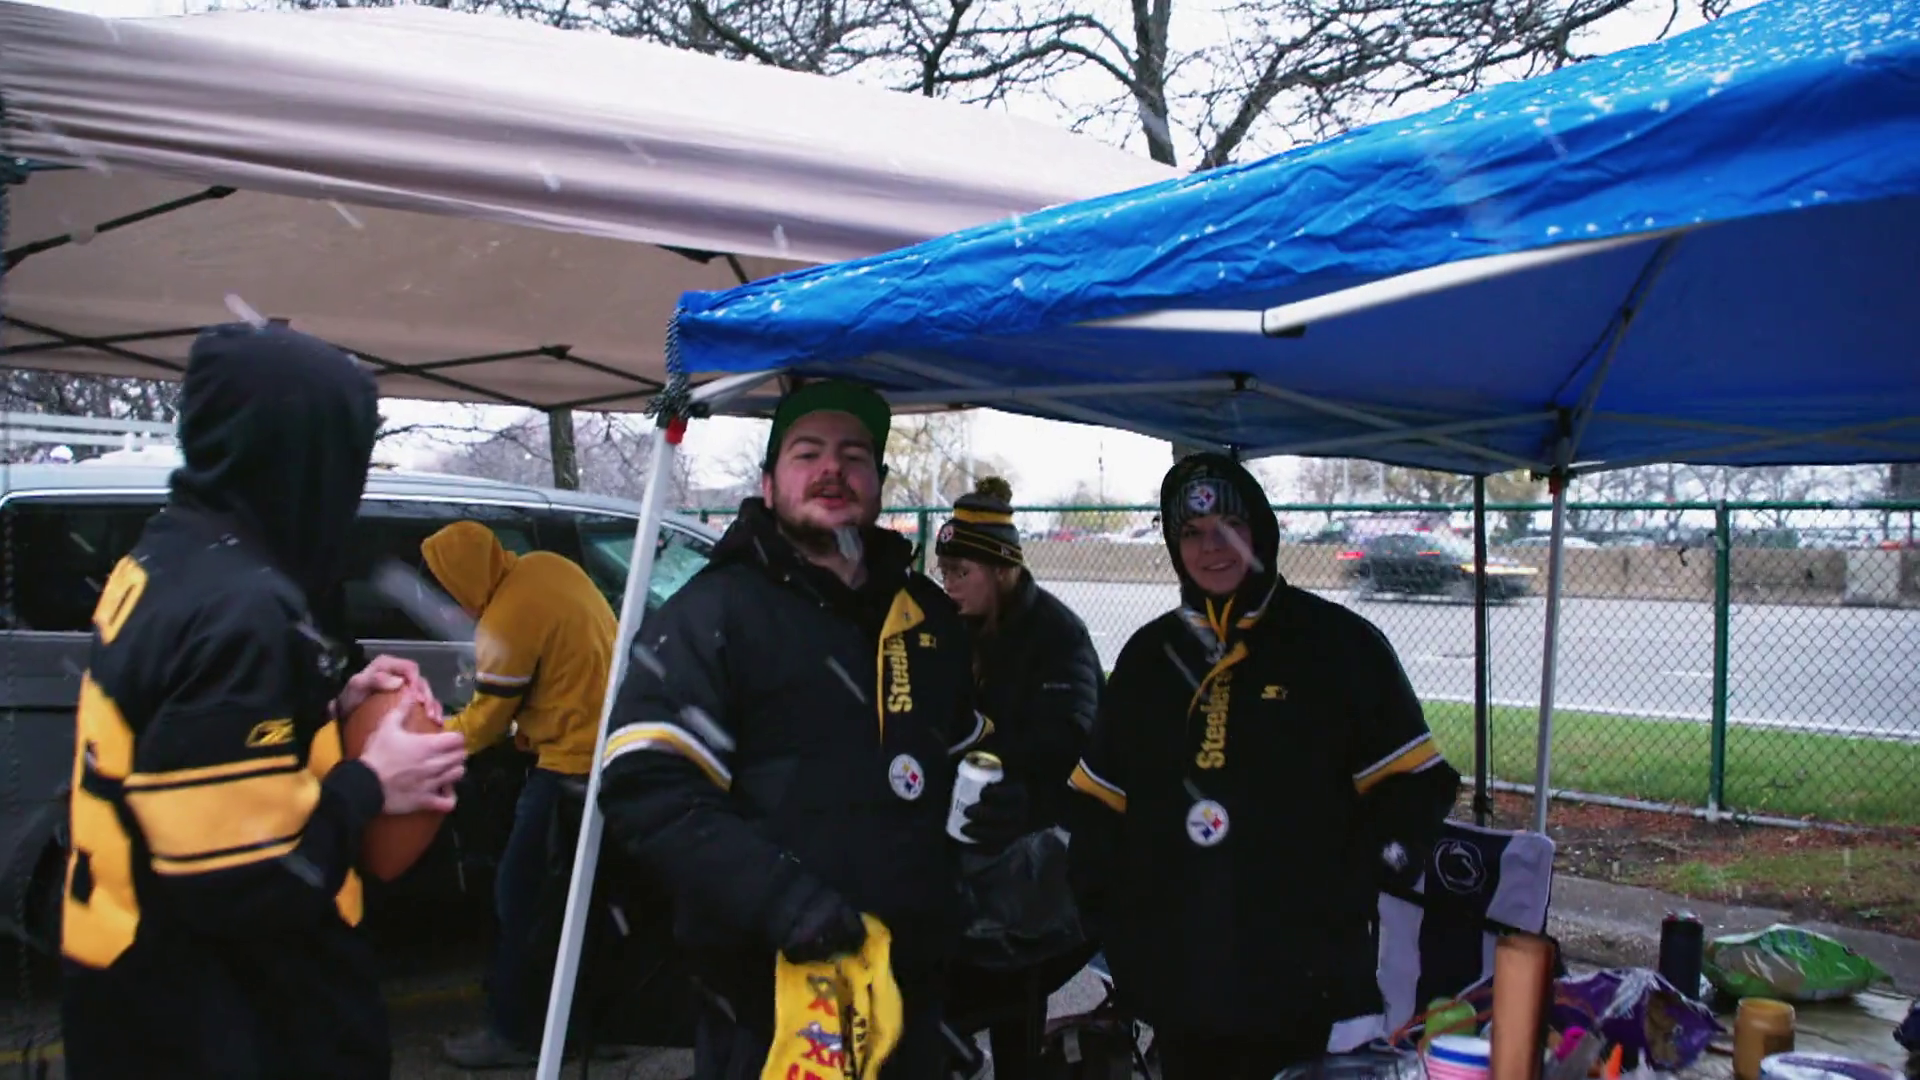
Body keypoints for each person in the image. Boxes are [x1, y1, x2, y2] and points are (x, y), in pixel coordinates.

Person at [60, 322, 470, 1079]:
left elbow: (184, 747)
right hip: (220, 1026)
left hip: (131, 986)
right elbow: (245, 887)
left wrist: (324, 705)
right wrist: (371, 783)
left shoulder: (168, 555)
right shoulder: (242, 608)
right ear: (298, 457)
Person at [597, 379, 984, 1079]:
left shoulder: (926, 614)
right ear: (769, 484)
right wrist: (784, 900)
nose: (832, 469)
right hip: (771, 999)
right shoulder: (713, 612)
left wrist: (996, 804)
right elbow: (645, 787)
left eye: (854, 456)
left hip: (912, 989)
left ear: (879, 483)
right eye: (808, 453)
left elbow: (962, 751)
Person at [1066, 453, 1462, 1080]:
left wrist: (1353, 883)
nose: (1211, 548)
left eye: (1229, 526)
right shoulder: (1148, 657)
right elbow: (1096, 804)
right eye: (1192, 532)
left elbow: (1418, 786)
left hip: (1307, 986)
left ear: (1262, 532)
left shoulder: (1338, 645)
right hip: (1181, 983)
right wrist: (1115, 926)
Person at [423, 521, 619, 1068]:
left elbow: (486, 722)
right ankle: (594, 1026)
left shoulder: (508, 615)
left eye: (447, 585)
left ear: (464, 576)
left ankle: (513, 1032)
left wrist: (427, 739)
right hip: (609, 755)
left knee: (522, 899)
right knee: (586, 907)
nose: (452, 601)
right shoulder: (544, 566)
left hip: (568, 767)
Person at [933, 476, 1104, 1080]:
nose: (949, 583)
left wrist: (1020, 793)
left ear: (1002, 570)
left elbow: (1071, 742)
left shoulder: (1057, 636)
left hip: (1051, 850)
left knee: (1012, 979)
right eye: (943, 571)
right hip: (972, 835)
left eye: (961, 572)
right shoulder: (955, 627)